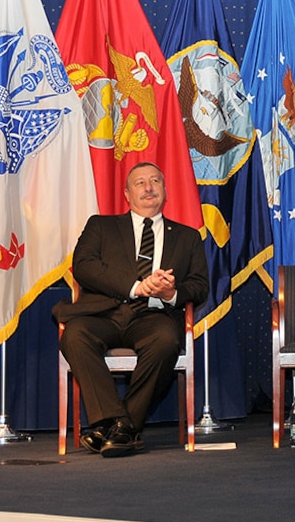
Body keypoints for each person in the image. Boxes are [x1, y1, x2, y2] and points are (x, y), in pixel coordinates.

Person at [54, 162, 208, 457]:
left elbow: (200, 286)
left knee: (166, 341)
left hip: (154, 316)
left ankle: (114, 428)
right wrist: (136, 286)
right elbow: (84, 267)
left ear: (165, 190)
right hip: (103, 315)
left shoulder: (188, 237)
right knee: (74, 334)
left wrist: (171, 292)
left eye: (155, 181)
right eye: (140, 183)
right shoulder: (100, 226)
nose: (149, 187)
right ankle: (120, 424)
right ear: (126, 193)